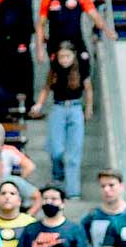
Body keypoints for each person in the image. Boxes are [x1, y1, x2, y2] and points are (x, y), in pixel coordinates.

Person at [31, 41, 92, 200]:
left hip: (75, 107)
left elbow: (88, 88)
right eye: (61, 57)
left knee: (73, 153)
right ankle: (58, 173)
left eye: (67, 56)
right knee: (55, 148)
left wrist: (89, 107)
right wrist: (39, 104)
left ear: (73, 56)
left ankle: (73, 191)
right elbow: (46, 88)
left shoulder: (81, 69)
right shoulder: (55, 70)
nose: (64, 60)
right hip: (58, 107)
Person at [36, 0, 115, 64]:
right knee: (59, 71)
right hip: (55, 42)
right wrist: (40, 48)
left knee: (84, 66)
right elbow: (41, 25)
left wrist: (107, 31)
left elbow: (95, 16)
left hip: (75, 39)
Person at [80, 169, 126, 247]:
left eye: (111, 185)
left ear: (122, 186)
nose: (106, 189)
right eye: (103, 186)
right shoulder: (91, 217)